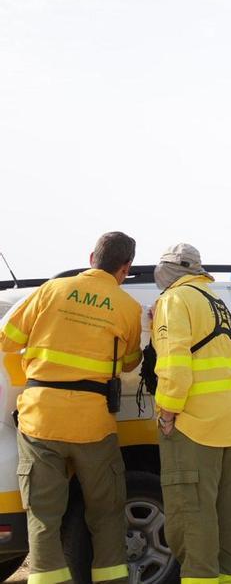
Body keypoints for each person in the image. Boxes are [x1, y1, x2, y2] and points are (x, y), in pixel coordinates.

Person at [0, 232, 142, 584]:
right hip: (93, 422)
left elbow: (6, 340)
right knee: (106, 512)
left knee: (44, 517)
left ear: (91, 256)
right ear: (125, 268)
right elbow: (128, 364)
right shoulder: (128, 307)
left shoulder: (52, 290)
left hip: (41, 419)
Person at [151, 244, 231, 584]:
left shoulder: (174, 301)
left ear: (170, 269)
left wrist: (167, 413)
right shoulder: (216, 300)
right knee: (228, 519)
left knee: (192, 519)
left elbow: (175, 367)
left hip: (193, 425)